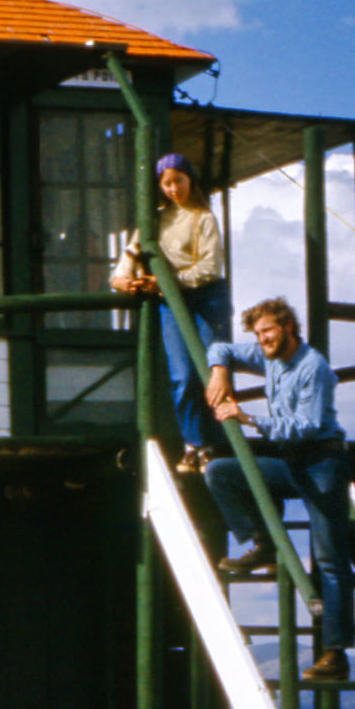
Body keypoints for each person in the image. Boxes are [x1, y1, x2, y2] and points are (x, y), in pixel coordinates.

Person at [202, 297, 355, 681]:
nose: (263, 339)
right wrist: (219, 370)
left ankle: (335, 655)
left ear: (288, 326)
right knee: (220, 472)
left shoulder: (313, 367)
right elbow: (220, 346)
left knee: (329, 557)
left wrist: (247, 417)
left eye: (268, 331)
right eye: (257, 334)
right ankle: (262, 542)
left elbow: (305, 425)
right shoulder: (267, 355)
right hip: (291, 462)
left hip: (322, 463)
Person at [110, 152, 231, 473]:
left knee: (211, 373)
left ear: (190, 180)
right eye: (167, 183)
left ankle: (217, 444)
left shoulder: (203, 218)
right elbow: (122, 270)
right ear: (160, 187)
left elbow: (210, 267)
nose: (174, 188)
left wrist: (168, 280)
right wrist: (131, 283)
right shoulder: (152, 223)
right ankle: (194, 444)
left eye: (178, 180)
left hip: (206, 299)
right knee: (183, 375)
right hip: (168, 301)